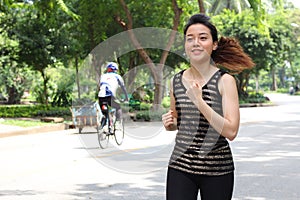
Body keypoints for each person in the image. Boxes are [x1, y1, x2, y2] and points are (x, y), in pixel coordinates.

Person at [162, 14, 255, 200]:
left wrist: (200, 102)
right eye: (190, 39)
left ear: (213, 45)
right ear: (185, 46)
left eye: (203, 38)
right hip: (181, 166)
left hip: (217, 169)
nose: (196, 43)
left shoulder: (225, 81)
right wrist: (170, 124)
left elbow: (231, 131)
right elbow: (178, 122)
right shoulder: (176, 81)